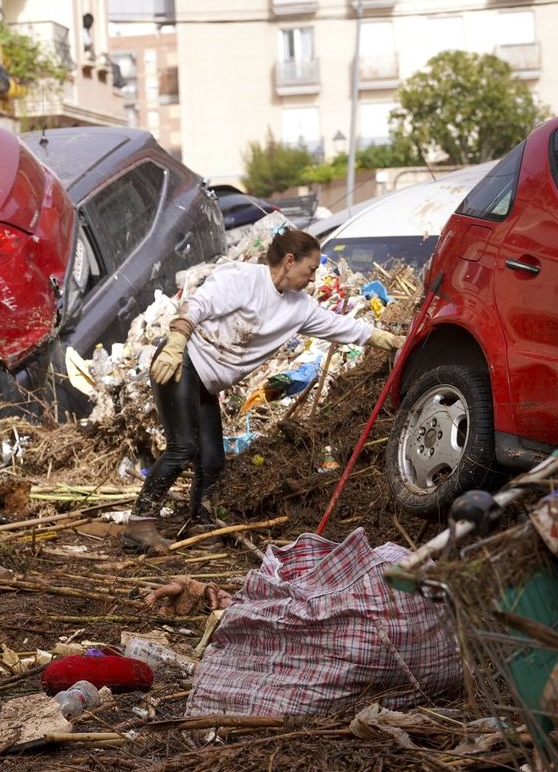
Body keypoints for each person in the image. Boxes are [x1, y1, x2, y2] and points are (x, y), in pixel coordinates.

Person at [126, 226, 403, 546]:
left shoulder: (299, 307)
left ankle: (200, 523)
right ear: (289, 261)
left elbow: (342, 326)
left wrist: (387, 340)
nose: (313, 278)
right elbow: (199, 303)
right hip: (181, 360)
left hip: (207, 382)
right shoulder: (243, 278)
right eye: (311, 269)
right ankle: (140, 523)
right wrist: (176, 338)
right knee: (184, 447)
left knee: (213, 458)